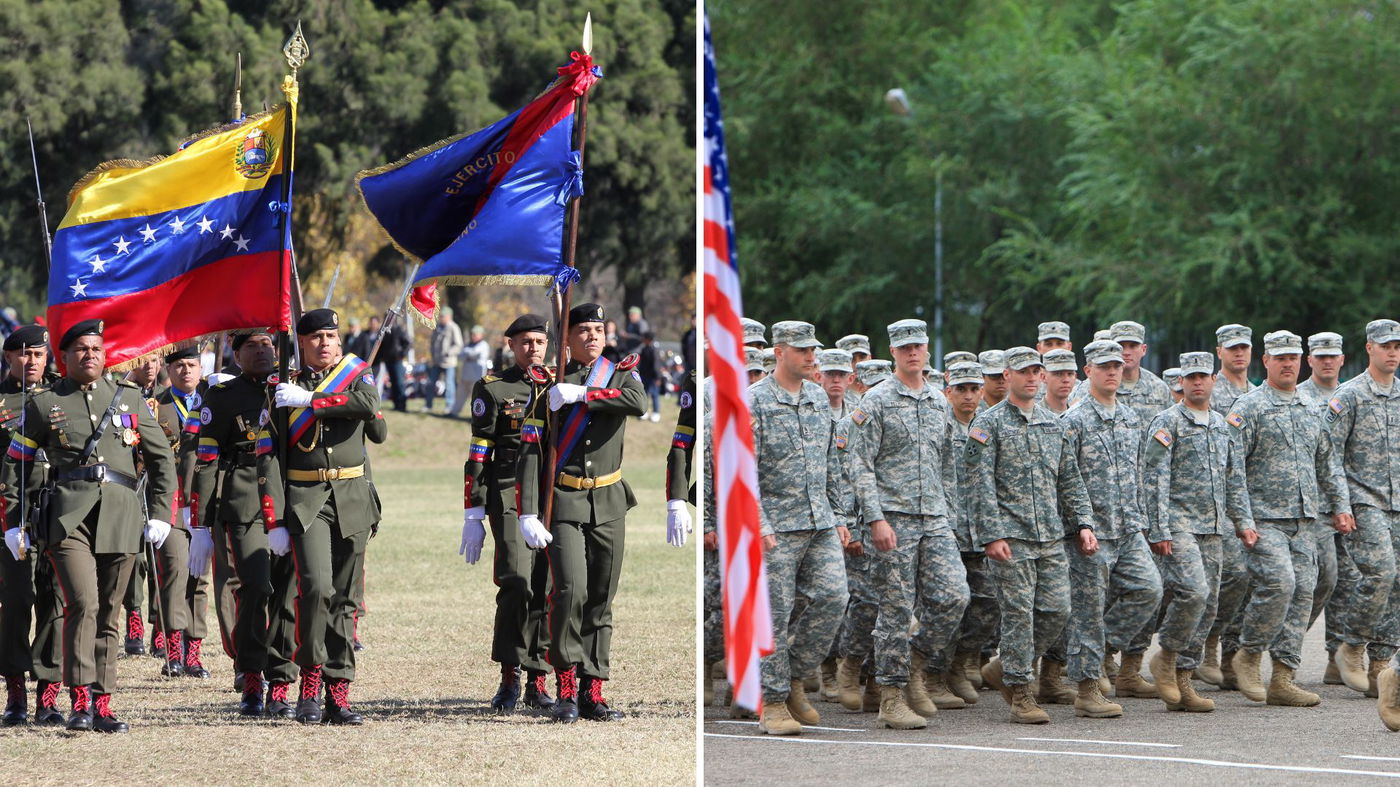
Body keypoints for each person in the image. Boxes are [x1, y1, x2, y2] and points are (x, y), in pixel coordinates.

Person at [2, 319, 177, 732]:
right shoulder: (44, 403)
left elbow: (161, 458)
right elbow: (17, 465)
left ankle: (103, 701)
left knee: (110, 612)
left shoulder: (128, 398)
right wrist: (15, 522)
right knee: (83, 602)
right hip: (67, 518)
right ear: (64, 358)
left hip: (121, 514)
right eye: (81, 348)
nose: (90, 355)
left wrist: (161, 515)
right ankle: (79, 699)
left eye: (96, 348)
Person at [515, 303, 647, 723]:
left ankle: (594, 689)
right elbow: (531, 452)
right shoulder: (548, 386)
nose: (592, 336)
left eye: (598, 329)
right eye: (583, 330)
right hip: (565, 502)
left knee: (602, 599)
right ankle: (567, 688)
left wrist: (585, 394)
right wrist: (528, 512)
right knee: (569, 591)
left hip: (609, 502)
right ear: (566, 339)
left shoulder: (621, 375)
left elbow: (637, 402)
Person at [849, 319, 969, 729]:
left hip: (934, 518)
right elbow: (860, 465)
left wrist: (948, 514)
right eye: (904, 348)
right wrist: (875, 518)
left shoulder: (938, 401)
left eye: (918, 345)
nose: (912, 352)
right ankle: (891, 696)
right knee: (896, 610)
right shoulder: (877, 401)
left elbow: (948, 464)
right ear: (893, 352)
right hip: (892, 520)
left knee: (955, 596)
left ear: (927, 349)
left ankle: (913, 663)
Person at [966, 346, 1095, 724]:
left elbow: (1069, 479)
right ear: (1007, 377)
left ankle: (1006, 666)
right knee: (1019, 614)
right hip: (1012, 535)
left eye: (1036, 371)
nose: (1032, 378)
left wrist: (1083, 524)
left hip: (1050, 535)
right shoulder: (987, 425)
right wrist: (991, 534)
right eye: (1023, 372)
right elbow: (978, 485)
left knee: (1057, 610)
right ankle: (1021, 690)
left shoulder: (1053, 424)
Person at [269, 309, 384, 724]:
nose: (324, 343)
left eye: (331, 336)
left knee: (346, 596)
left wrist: (313, 401)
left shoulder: (356, 375)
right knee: (316, 588)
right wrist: (275, 519)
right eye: (315, 337)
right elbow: (271, 458)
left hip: (351, 495)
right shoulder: (285, 386)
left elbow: (369, 406)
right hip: (306, 498)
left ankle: (339, 690)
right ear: (301, 343)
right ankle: (310, 681)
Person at [1228, 330, 1352, 707]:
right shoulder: (1248, 408)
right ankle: (1248, 654)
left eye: (1292, 358)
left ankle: (1283, 676)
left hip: (1305, 520)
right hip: (1264, 518)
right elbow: (1232, 470)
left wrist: (1341, 505)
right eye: (1279, 357)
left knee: (1303, 592)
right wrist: (1242, 519)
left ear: (1301, 362)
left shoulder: (1311, 409)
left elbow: (1327, 464)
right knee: (1280, 584)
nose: (1287, 364)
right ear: (1265, 361)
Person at [741, 321, 848, 735]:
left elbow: (831, 463)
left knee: (833, 598)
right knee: (775, 614)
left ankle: (794, 679)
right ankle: (772, 702)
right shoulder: (755, 401)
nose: (811, 357)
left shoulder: (819, 398)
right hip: (775, 526)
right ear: (779, 352)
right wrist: (759, 521)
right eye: (802, 350)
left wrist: (839, 517)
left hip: (819, 519)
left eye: (813, 350)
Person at [191, 330, 300, 717]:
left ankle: (282, 679)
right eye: (251, 346)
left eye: (267, 344)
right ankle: (252, 676)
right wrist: (200, 524)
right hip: (245, 497)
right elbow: (206, 460)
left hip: (294, 494)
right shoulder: (222, 397)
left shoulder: (297, 384)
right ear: (236, 354)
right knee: (255, 587)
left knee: (287, 592)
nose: (262, 351)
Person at [1140, 351, 1252, 714]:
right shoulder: (1167, 422)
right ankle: (1166, 656)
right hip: (1179, 523)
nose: (1198, 382)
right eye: (1191, 378)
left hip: (1215, 526)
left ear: (1213, 381)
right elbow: (1153, 479)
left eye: (1203, 376)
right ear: (1182, 383)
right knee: (1194, 591)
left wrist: (1244, 523)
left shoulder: (1222, 425)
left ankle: (1184, 677)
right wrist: (1157, 527)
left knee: (1210, 604)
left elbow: (1235, 479)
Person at [1058, 339, 1163, 717]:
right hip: (1091, 532)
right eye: (1104, 366)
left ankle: (1099, 650)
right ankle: (1087, 691)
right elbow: (1065, 481)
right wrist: (1079, 525)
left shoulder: (1130, 417)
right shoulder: (1074, 421)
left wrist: (1145, 522)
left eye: (1117, 366)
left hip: (1128, 527)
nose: (1113, 372)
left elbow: (1140, 472)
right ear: (1088, 371)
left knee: (1149, 590)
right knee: (1087, 610)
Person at [459, 314, 556, 712]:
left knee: (546, 584)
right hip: (509, 490)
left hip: (552, 491)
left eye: (539, 341)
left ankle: (538, 677)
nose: (533, 348)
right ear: (510, 345)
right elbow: (480, 451)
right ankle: (510, 674)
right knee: (517, 580)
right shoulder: (494, 388)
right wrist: (473, 511)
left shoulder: (559, 383)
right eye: (525, 342)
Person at [1325, 321, 1400, 702]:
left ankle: (1381, 666)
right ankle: (1351, 644)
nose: (1392, 353)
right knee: (1380, 571)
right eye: (1385, 346)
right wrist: (1340, 504)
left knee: (1397, 582)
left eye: (1397, 347)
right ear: (1369, 348)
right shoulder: (1349, 395)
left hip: (1398, 502)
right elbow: (1330, 455)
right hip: (1363, 500)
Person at [0, 325, 65, 725]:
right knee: (17, 601)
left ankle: (48, 692)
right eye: (23, 354)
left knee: (54, 601)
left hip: (59, 511)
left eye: (39, 354)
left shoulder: (63, 395)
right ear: (8, 357)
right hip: (13, 514)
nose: (32, 362)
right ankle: (15, 691)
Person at [148, 346, 212, 679]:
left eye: (191, 365)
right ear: (168, 369)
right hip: (170, 502)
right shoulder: (154, 406)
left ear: (201, 368)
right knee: (174, 571)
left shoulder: (214, 401)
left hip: (203, 502)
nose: (185, 371)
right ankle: (173, 649)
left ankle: (195, 651)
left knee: (199, 578)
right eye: (178, 365)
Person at [942, 361, 996, 705]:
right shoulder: (939, 426)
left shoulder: (988, 426)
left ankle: (960, 664)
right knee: (948, 602)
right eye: (961, 388)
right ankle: (933, 673)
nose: (969, 395)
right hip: (946, 530)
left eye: (974, 388)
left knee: (988, 604)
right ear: (948, 391)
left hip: (981, 531)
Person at [427, 307, 464, 413]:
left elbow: (458, 345)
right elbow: (433, 342)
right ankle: (428, 405)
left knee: (449, 384)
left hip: (449, 362)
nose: (441, 318)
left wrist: (449, 353)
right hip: (436, 361)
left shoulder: (454, 327)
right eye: (440, 316)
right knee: (431, 383)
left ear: (449, 316)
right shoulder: (438, 327)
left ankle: (449, 406)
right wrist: (433, 354)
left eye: (443, 316)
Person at [370, 316, 410, 413]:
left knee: (399, 383)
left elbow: (407, 343)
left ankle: (402, 405)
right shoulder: (385, 331)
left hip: (397, 361)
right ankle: (396, 404)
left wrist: (401, 355)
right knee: (393, 383)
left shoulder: (399, 330)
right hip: (388, 361)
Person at [452, 325, 493, 418]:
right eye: (472, 334)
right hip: (466, 374)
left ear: (481, 335)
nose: (473, 336)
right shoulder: (468, 344)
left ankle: (479, 415)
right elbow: (460, 356)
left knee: (477, 397)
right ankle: (454, 412)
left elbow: (474, 353)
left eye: (476, 334)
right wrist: (468, 354)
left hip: (477, 376)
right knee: (460, 394)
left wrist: (468, 354)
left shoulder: (483, 345)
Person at [1040, 349, 1077, 414]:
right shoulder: (1033, 415)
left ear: (1075, 377)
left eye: (1070, 374)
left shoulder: (1080, 413)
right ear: (1043, 377)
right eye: (1058, 374)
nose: (1066, 380)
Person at [638, 331, 663, 422]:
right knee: (644, 394)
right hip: (645, 376)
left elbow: (656, 365)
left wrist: (658, 377)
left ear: (648, 339)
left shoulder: (654, 349)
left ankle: (656, 412)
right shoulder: (644, 349)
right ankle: (644, 412)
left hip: (653, 377)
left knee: (654, 395)